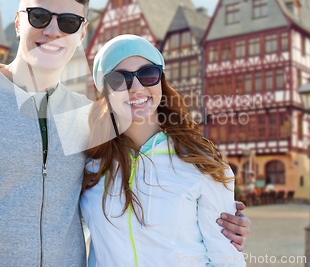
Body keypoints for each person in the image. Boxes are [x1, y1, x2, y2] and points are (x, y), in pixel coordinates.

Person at [0, 0, 250, 266]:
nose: (53, 30)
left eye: (68, 22)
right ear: (18, 21)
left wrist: (226, 217)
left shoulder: (85, 120)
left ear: (81, 33)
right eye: (39, 16)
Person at [80, 35, 246, 266]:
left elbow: (226, 260)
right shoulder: (90, 164)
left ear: (160, 80)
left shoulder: (201, 163)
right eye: (120, 79)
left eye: (148, 74)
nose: (137, 88)